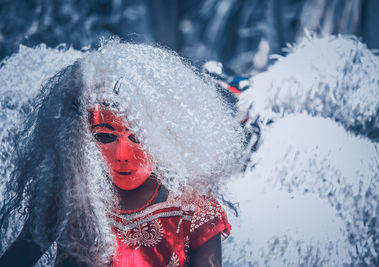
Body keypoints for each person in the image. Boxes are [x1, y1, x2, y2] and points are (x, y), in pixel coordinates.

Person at [0, 41, 242, 266]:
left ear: (168, 138)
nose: (123, 155)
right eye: (105, 137)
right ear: (76, 138)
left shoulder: (193, 208)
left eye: (139, 138)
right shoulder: (68, 200)